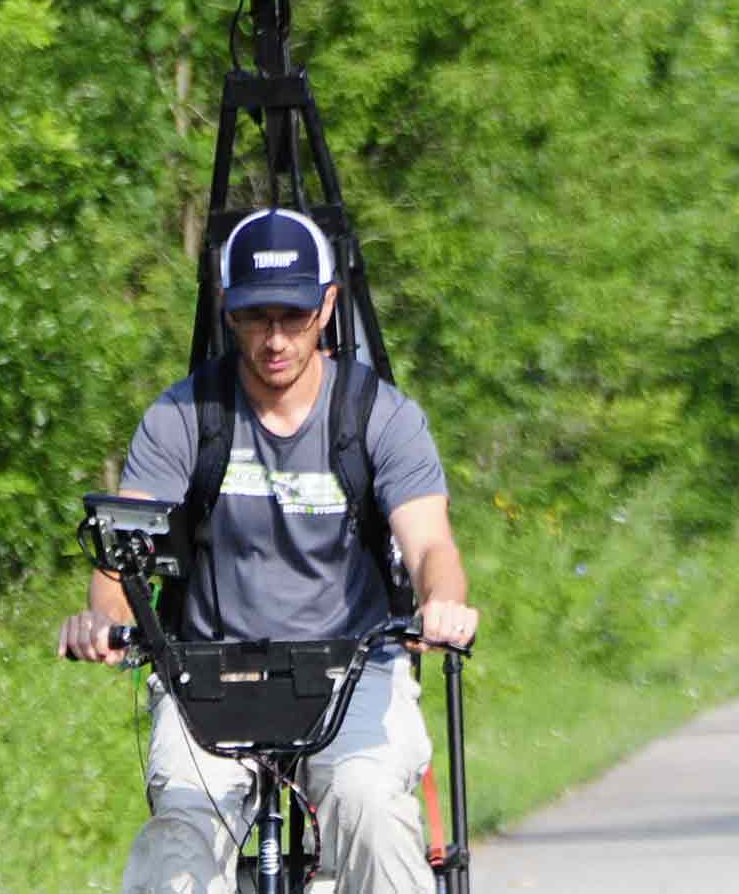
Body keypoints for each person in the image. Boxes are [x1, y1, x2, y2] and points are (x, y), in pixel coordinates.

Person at [58, 207, 480, 894]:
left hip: (351, 672)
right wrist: (104, 618)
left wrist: (444, 604)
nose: (276, 339)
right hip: (209, 678)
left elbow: (430, 541)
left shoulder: (381, 416)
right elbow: (120, 552)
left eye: (295, 315)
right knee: (179, 841)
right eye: (257, 317)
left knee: (369, 806)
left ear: (328, 306)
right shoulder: (184, 416)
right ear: (229, 311)